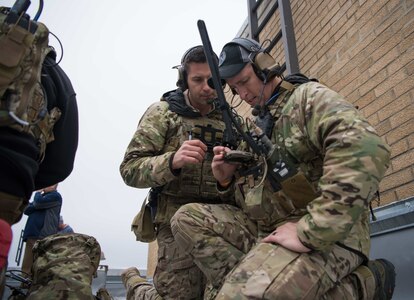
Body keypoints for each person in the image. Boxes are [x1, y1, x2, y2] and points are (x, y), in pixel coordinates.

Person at [170, 37, 396, 299]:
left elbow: (367, 148)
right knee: (186, 219)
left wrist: (310, 232)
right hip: (268, 230)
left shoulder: (307, 98)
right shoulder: (256, 126)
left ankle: (364, 285)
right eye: (234, 89)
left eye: (244, 81)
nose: (243, 94)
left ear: (264, 66)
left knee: (243, 295)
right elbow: (258, 193)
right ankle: (251, 280)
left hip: (324, 232)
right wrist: (225, 180)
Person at [119, 45, 235, 299]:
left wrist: (226, 179)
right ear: (184, 80)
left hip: (219, 222)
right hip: (174, 222)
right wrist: (171, 161)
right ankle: (135, 284)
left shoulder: (230, 120)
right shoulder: (163, 114)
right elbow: (129, 169)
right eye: (198, 80)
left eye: (212, 80)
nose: (207, 87)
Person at [0, 4, 78, 297]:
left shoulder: (52, 197)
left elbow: (46, 196)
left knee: (30, 270)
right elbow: (59, 164)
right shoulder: (55, 76)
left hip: (36, 233)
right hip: (8, 197)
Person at [21, 184, 62, 277]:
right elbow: (27, 209)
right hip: (33, 232)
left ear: (55, 187)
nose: (47, 186)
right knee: (28, 259)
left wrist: (38, 193)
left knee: (40, 260)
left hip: (43, 233)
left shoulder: (55, 196)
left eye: (51, 185)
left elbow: (38, 204)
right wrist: (37, 201)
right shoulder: (40, 198)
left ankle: (36, 283)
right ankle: (24, 281)